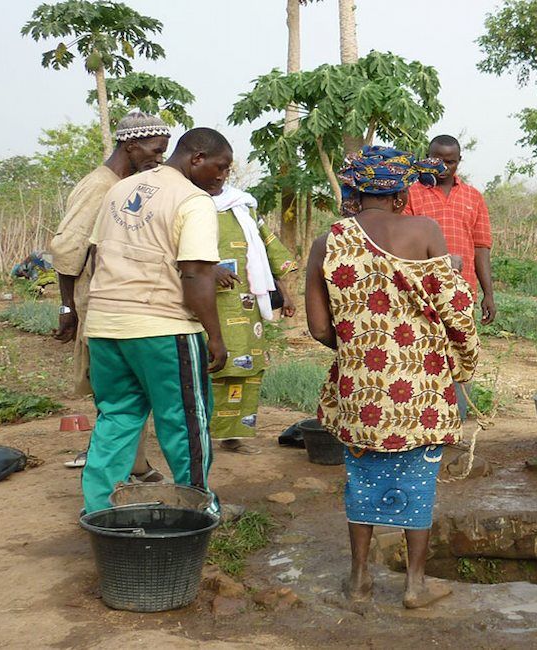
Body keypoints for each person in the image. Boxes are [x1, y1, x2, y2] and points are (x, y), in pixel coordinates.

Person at [307, 146, 479, 609]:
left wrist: (364, 350)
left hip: (360, 388)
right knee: (420, 479)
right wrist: (461, 362)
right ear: (403, 193)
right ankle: (415, 586)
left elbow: (320, 327)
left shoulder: (328, 242)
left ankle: (360, 580)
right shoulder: (423, 230)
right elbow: (456, 311)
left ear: (355, 192)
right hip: (422, 386)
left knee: (361, 477)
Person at [80, 127, 231, 515]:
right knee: (185, 423)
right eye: (221, 167)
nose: (222, 177)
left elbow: (97, 255)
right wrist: (215, 337)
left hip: (104, 325)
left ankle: (100, 510)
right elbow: (196, 274)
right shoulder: (193, 200)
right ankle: (198, 508)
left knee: (116, 418)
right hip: (163, 329)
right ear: (196, 158)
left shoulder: (121, 189)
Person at [50, 112, 171, 478]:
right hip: (98, 304)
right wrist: (67, 305)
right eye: (155, 150)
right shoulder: (99, 186)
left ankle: (133, 464)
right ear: (130, 146)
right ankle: (116, 469)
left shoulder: (126, 184)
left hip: (121, 303)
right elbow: (67, 250)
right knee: (113, 390)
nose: (159, 159)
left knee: (127, 389)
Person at [208, 185, 298, 454]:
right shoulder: (188, 205)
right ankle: (199, 435)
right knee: (209, 366)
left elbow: (267, 250)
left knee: (245, 368)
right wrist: (208, 269)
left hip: (247, 306)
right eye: (218, 168)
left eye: (226, 169)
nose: (221, 176)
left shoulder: (244, 206)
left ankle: (233, 435)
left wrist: (286, 294)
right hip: (206, 302)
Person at [403, 134, 496, 325]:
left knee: (460, 350)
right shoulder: (409, 194)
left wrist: (488, 294)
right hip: (421, 291)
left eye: (450, 162)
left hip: (463, 291)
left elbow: (481, 248)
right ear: (427, 157)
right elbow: (403, 245)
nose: (443, 167)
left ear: (459, 161)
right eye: (436, 160)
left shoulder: (474, 197)